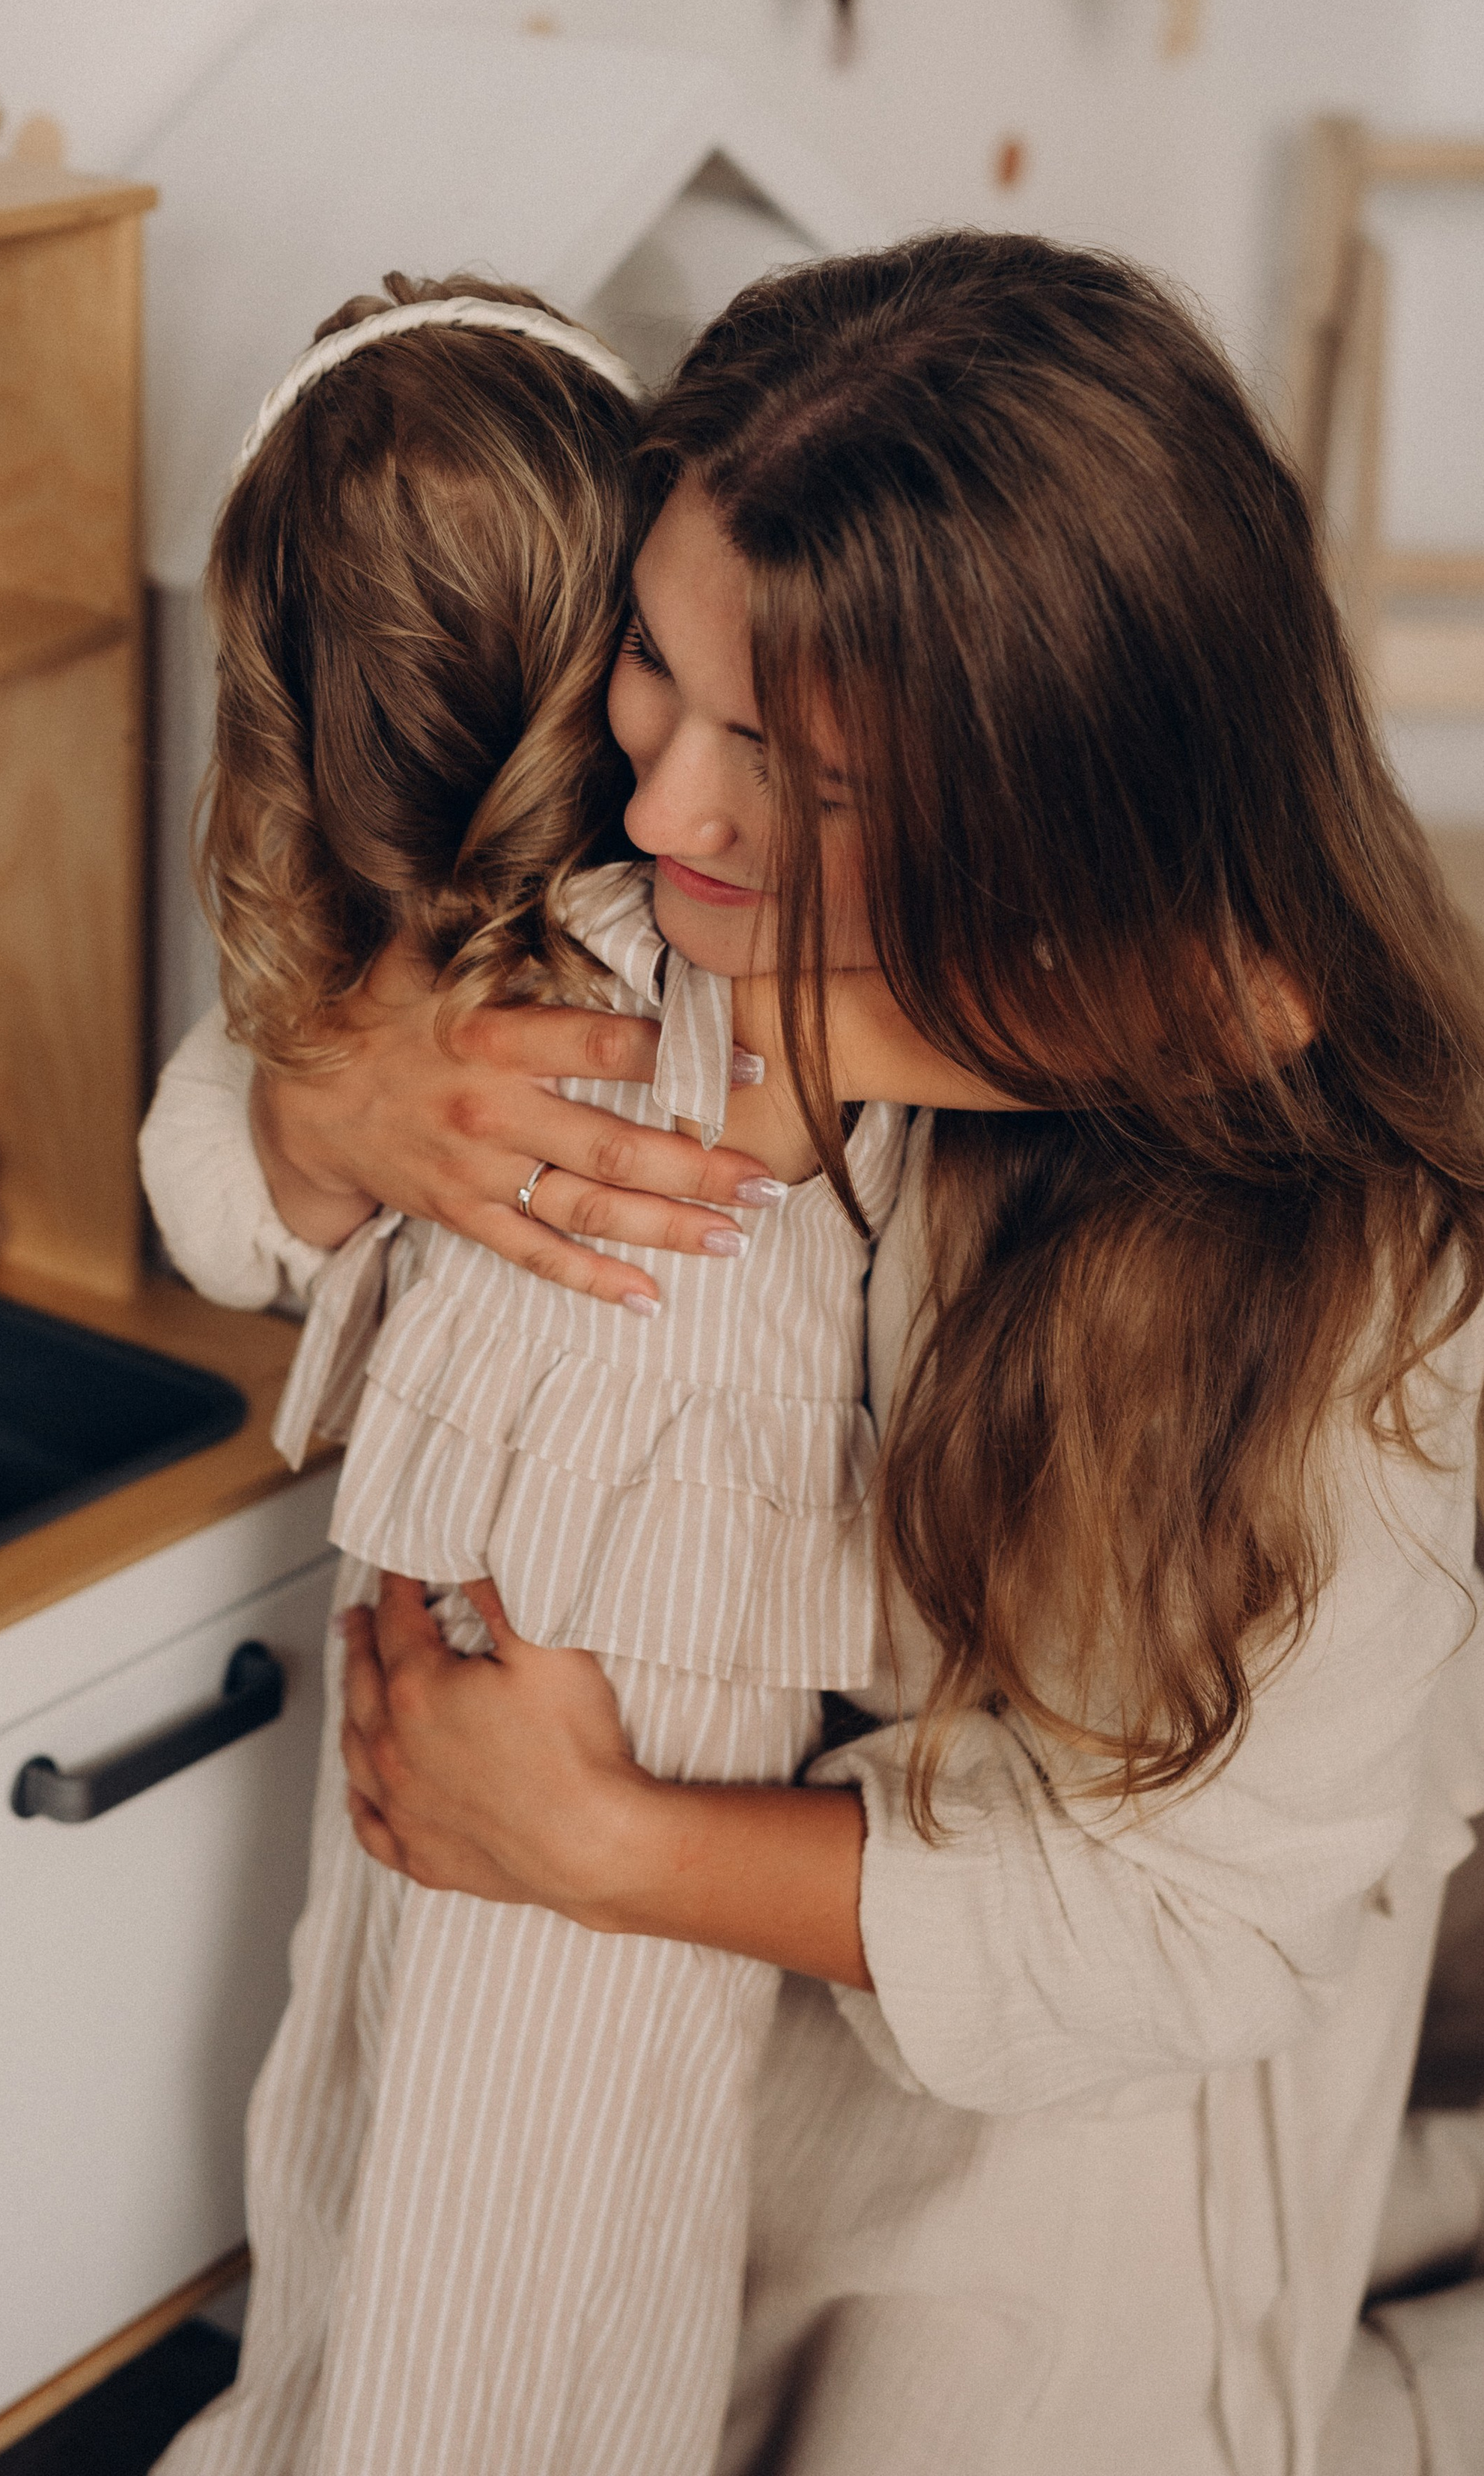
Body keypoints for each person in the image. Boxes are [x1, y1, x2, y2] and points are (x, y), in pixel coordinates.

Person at [203, 236, 1484, 2473]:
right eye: (652, 667)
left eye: (794, 770)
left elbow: (1187, 1938)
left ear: (1053, 794)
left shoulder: (1350, 1285)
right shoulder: (665, 927)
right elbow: (222, 1181)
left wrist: (602, 1842)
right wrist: (326, 1110)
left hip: (1047, 2179)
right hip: (673, 2090)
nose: (667, 812)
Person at [143, 270, 1015, 2476]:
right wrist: (325, 1104)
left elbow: (1214, 1009)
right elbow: (212, 1186)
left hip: (622, 1736)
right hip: (461, 1685)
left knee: (502, 2257)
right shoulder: (412, 995)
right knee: (388, 2196)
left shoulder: (768, 955)